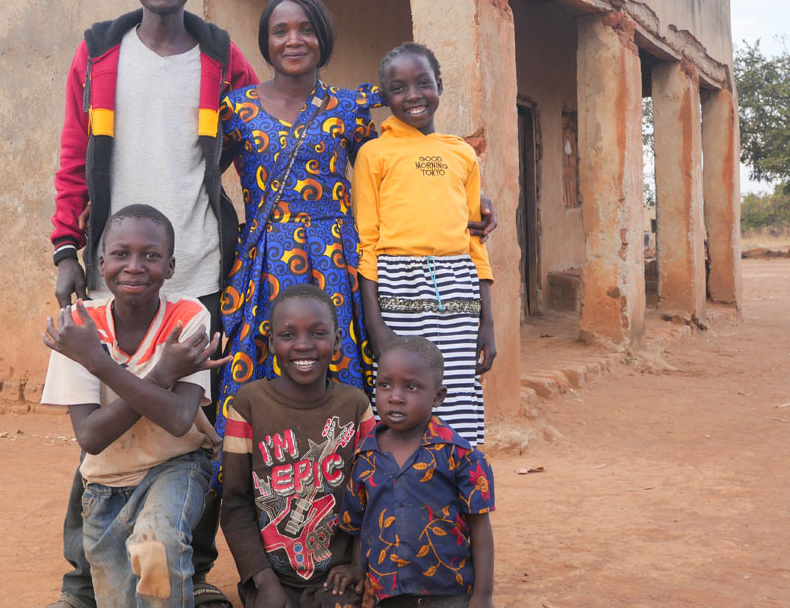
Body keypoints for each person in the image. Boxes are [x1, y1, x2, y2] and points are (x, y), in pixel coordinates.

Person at [49, 0, 256, 608]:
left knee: (191, 423)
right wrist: (66, 249)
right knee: (107, 415)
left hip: (195, 267)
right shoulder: (100, 51)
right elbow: (76, 151)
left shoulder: (221, 57)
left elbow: (262, 131)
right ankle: (86, 568)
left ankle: (185, 569)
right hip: (117, 268)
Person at [216, 0, 499, 472]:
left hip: (337, 268)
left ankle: (345, 493)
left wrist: (471, 200)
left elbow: (399, 171)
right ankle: (269, 497)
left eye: (306, 28)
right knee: (264, 376)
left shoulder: (348, 107)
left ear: (323, 38)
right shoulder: (237, 109)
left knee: (341, 376)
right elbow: (200, 183)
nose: (294, 40)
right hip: (262, 268)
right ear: (265, 41)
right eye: (280, 31)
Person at [41, 205, 231, 608]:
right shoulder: (77, 325)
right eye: (121, 254)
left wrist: (98, 362)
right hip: (105, 484)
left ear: (171, 266)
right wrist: (160, 375)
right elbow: (91, 436)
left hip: (176, 466)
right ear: (100, 261)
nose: (134, 266)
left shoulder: (189, 317)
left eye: (151, 255)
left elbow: (180, 420)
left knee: (156, 546)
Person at [353, 42, 497, 445]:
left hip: (459, 288)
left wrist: (487, 321)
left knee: (455, 400)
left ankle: (454, 493)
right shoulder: (374, 154)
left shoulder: (462, 153)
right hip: (398, 287)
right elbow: (367, 242)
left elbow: (475, 241)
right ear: (384, 98)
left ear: (440, 85)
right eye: (398, 88)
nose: (413, 95)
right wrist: (375, 323)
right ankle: (404, 494)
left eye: (423, 83)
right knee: (403, 399)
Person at [220, 284, 375, 608]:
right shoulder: (249, 404)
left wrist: (358, 565)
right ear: (272, 342)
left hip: (338, 579)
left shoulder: (355, 405)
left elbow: (371, 497)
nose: (303, 345)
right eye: (288, 335)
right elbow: (235, 504)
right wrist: (263, 581)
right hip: (270, 580)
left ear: (335, 341)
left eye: (317, 333)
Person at [338, 336, 496, 607]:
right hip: (385, 595)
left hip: (448, 593)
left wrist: (483, 596)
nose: (395, 397)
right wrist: (357, 567)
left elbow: (480, 528)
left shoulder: (459, 456)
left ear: (438, 397)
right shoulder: (365, 456)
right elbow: (359, 524)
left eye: (410, 387)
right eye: (385, 385)